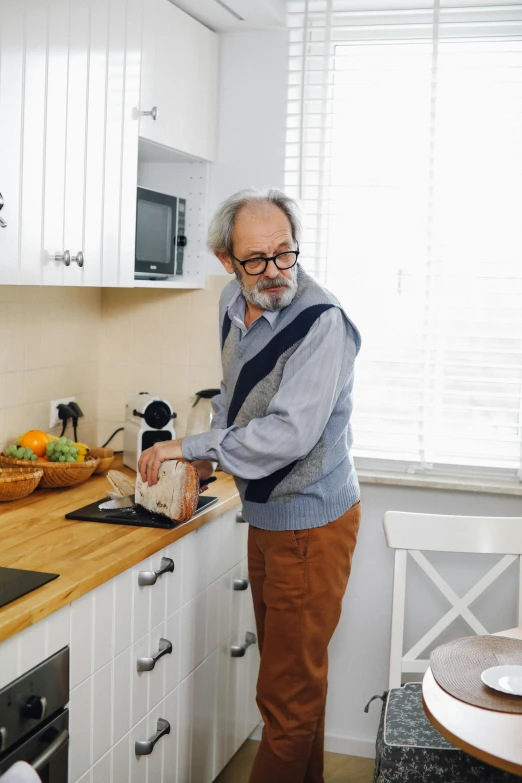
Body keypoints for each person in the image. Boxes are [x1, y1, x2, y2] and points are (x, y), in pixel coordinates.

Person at [138, 188, 361, 783]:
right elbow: (235, 402)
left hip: (312, 523)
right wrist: (214, 452)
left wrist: (191, 447)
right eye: (255, 260)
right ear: (226, 262)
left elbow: (288, 435)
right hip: (267, 518)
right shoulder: (231, 305)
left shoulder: (323, 322)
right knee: (296, 690)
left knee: (286, 703)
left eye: (284, 253)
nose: (273, 272)